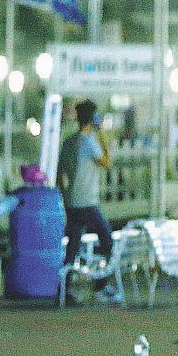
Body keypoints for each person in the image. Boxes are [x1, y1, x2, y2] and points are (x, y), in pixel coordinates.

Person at [57, 99, 114, 302]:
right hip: (88, 202)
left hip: (72, 201)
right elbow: (106, 162)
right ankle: (101, 284)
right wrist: (102, 135)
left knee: (72, 246)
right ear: (93, 119)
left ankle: (64, 289)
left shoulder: (69, 142)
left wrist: (66, 196)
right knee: (107, 240)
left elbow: (59, 175)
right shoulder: (89, 141)